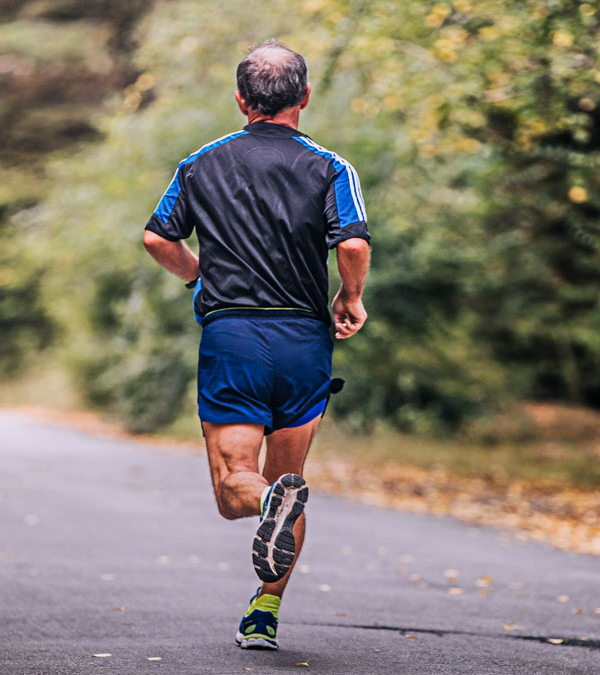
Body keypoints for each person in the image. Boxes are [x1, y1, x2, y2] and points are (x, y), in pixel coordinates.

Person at [141, 39, 371, 650]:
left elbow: (157, 238)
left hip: (233, 334)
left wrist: (198, 276)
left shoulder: (201, 163)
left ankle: (267, 500)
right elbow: (351, 244)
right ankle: (264, 610)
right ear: (305, 97)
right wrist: (350, 297)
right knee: (291, 478)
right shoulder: (330, 166)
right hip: (304, 341)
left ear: (241, 99)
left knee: (233, 486)